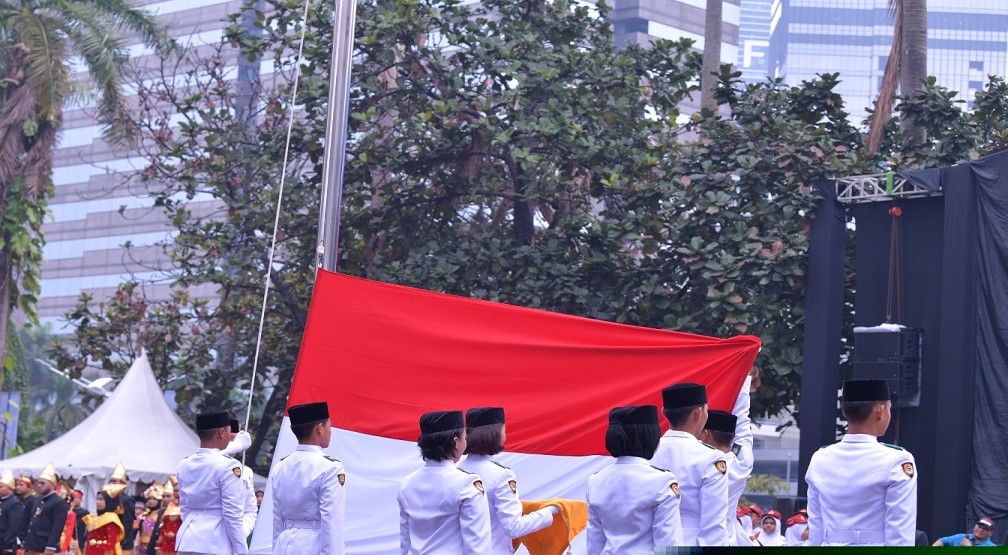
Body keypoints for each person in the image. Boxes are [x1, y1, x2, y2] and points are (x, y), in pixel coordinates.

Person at [805, 379, 917, 546]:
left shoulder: (820, 458)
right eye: (889, 409)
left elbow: (815, 525)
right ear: (880, 410)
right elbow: (900, 532)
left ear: (844, 412)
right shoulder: (897, 459)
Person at [457, 407, 556, 554]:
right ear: (494, 434)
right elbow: (513, 527)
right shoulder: (501, 475)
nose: (505, 435)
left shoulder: (456, 470)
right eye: (503, 430)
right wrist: (551, 510)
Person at [586, 405, 683, 553]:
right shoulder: (663, 480)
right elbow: (668, 543)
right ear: (649, 437)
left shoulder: (595, 480)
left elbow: (594, 543)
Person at [398, 410, 491, 554]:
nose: (466, 442)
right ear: (455, 441)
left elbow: (405, 543)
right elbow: (478, 547)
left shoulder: (407, 483)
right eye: (464, 437)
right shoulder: (467, 483)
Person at [652, 383, 729, 546]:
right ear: (698, 413)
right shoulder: (711, 458)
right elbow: (714, 527)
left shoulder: (648, 452)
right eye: (706, 410)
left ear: (663, 413)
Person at [270, 401, 346, 555]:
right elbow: (331, 523)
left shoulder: (280, 467)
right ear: (319, 428)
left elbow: (278, 521)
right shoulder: (331, 467)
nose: (330, 431)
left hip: (283, 545)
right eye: (329, 426)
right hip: (313, 546)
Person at [175, 411, 248, 555]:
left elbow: (184, 507)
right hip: (215, 542)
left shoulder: (184, 463)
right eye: (228, 431)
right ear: (221, 432)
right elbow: (232, 514)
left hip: (188, 539)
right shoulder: (229, 466)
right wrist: (241, 551)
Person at [700, 408, 747, 546]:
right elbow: (744, 429)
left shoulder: (701, 465)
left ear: (705, 434)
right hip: (730, 540)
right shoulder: (742, 464)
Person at [221, 419, 257, 541]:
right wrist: (237, 445)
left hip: (236, 538)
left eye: (235, 438)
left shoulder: (246, 472)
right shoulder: (203, 463)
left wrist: (240, 533)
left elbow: (250, 510)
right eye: (230, 438)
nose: (232, 442)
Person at [23, 462, 69, 555]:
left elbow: (57, 527)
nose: (39, 485)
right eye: (38, 483)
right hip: (31, 546)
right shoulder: (37, 500)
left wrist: (50, 547)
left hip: (44, 547)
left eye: (42, 483)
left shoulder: (59, 502)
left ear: (52, 484)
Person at [81, 485, 127, 555]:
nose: (97, 502)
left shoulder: (111, 518)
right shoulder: (96, 517)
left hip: (102, 551)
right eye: (97, 499)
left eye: (101, 499)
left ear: (108, 501)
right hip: (91, 551)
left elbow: (111, 541)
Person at [107, 462, 137, 553]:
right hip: (110, 539)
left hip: (122, 542)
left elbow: (127, 524)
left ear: (123, 483)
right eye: (112, 481)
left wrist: (122, 541)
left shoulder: (127, 500)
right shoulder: (108, 499)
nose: (113, 484)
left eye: (116, 481)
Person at [148, 478, 180, 555]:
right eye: (163, 496)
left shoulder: (184, 508)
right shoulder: (162, 511)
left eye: (168, 496)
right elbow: (160, 531)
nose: (165, 499)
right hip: (164, 546)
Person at [0, 469, 24, 555]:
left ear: (10, 489)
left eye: (1, 487)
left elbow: (13, 526)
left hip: (5, 545)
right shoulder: (2, 501)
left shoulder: (14, 503)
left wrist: (8, 546)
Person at [932, 517, 997, 547]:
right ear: (975, 526)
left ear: (990, 533)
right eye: (979, 527)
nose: (980, 530)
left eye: (985, 529)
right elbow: (942, 541)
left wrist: (968, 547)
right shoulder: (961, 537)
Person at [138, 484, 163, 551]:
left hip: (154, 547)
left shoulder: (162, 516)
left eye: (154, 499)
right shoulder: (144, 515)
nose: (151, 501)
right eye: (149, 498)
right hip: (142, 546)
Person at [16, 475, 38, 544]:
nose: (17, 487)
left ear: (29, 488)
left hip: (25, 536)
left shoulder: (34, 501)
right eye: (17, 485)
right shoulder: (16, 500)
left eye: (21, 485)